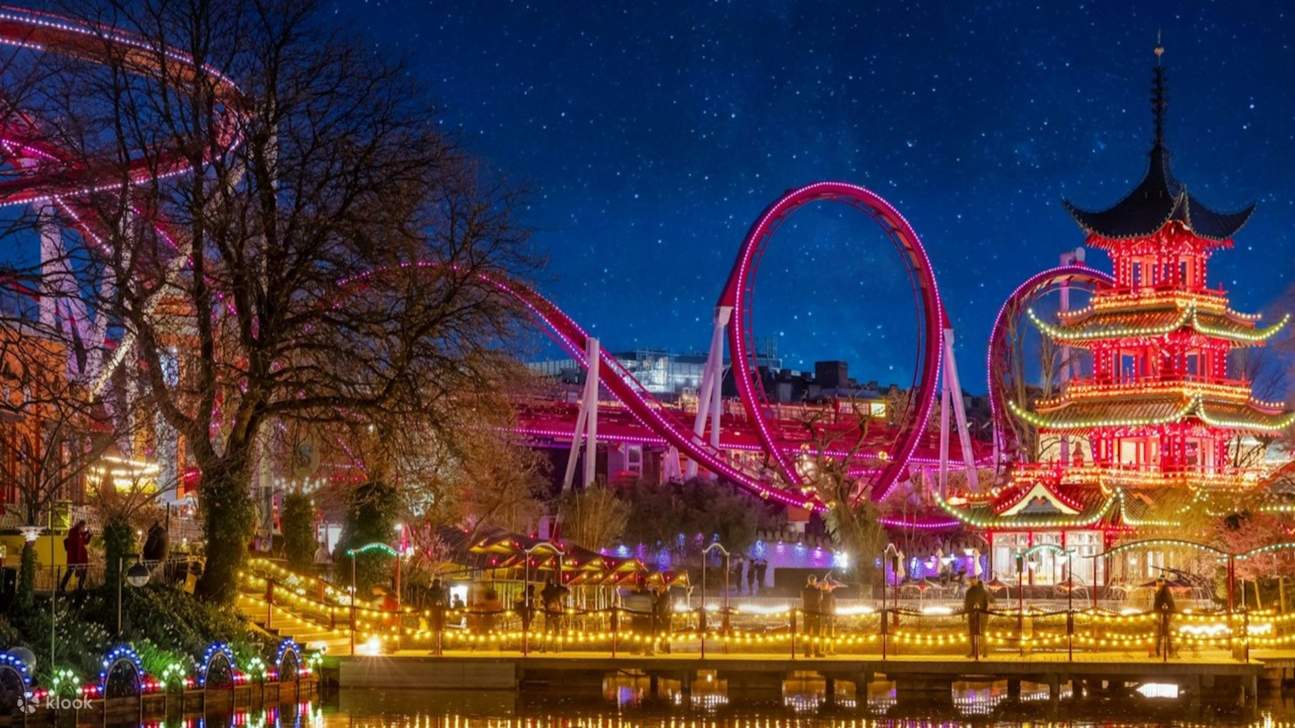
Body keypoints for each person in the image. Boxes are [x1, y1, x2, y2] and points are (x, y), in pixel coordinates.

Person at [59, 520, 91, 593]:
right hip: (76, 558)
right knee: (73, 571)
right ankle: (77, 586)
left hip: (77, 558)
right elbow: (78, 547)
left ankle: (64, 586)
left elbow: (85, 542)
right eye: (84, 527)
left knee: (72, 571)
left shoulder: (78, 533)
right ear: (81, 526)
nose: (84, 529)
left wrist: (88, 535)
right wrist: (78, 561)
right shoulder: (74, 533)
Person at [963, 576, 991, 658]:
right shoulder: (982, 591)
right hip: (980, 616)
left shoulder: (971, 592)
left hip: (975, 615)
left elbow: (966, 604)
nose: (971, 581)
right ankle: (980, 651)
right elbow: (987, 603)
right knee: (981, 633)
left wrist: (965, 613)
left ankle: (977, 651)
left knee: (975, 633)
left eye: (972, 580)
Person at [540, 577, 569, 652]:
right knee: (557, 630)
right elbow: (568, 592)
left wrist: (544, 603)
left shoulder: (544, 592)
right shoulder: (558, 590)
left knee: (547, 631)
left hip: (549, 612)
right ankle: (557, 648)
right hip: (558, 612)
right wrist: (560, 586)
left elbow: (543, 601)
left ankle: (544, 647)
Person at [1152, 576, 1177, 658]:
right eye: (1158, 582)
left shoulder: (1163, 589)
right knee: (1162, 632)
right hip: (1163, 613)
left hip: (1164, 613)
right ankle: (1163, 651)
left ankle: (1167, 652)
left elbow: (1166, 601)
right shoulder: (1161, 590)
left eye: (1159, 582)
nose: (1157, 583)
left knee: (1164, 632)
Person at [800, 575, 821, 657]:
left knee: (806, 634)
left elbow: (803, 599)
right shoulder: (818, 591)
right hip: (816, 614)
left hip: (806, 614)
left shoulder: (804, 590)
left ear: (808, 581)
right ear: (815, 581)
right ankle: (816, 652)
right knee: (816, 634)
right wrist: (817, 588)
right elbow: (819, 600)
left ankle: (807, 652)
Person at [427, 578, 447, 655]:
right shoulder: (439, 591)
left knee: (437, 631)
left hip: (437, 613)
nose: (437, 585)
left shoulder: (435, 591)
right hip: (435, 613)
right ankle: (436, 648)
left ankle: (438, 648)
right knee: (435, 631)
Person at [653, 584, 673, 654]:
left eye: (660, 587)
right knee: (663, 633)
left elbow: (663, 605)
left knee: (665, 633)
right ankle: (664, 648)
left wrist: (660, 616)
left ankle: (666, 648)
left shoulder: (667, 595)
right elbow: (658, 603)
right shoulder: (664, 595)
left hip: (665, 617)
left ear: (664, 588)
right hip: (664, 616)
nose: (659, 589)